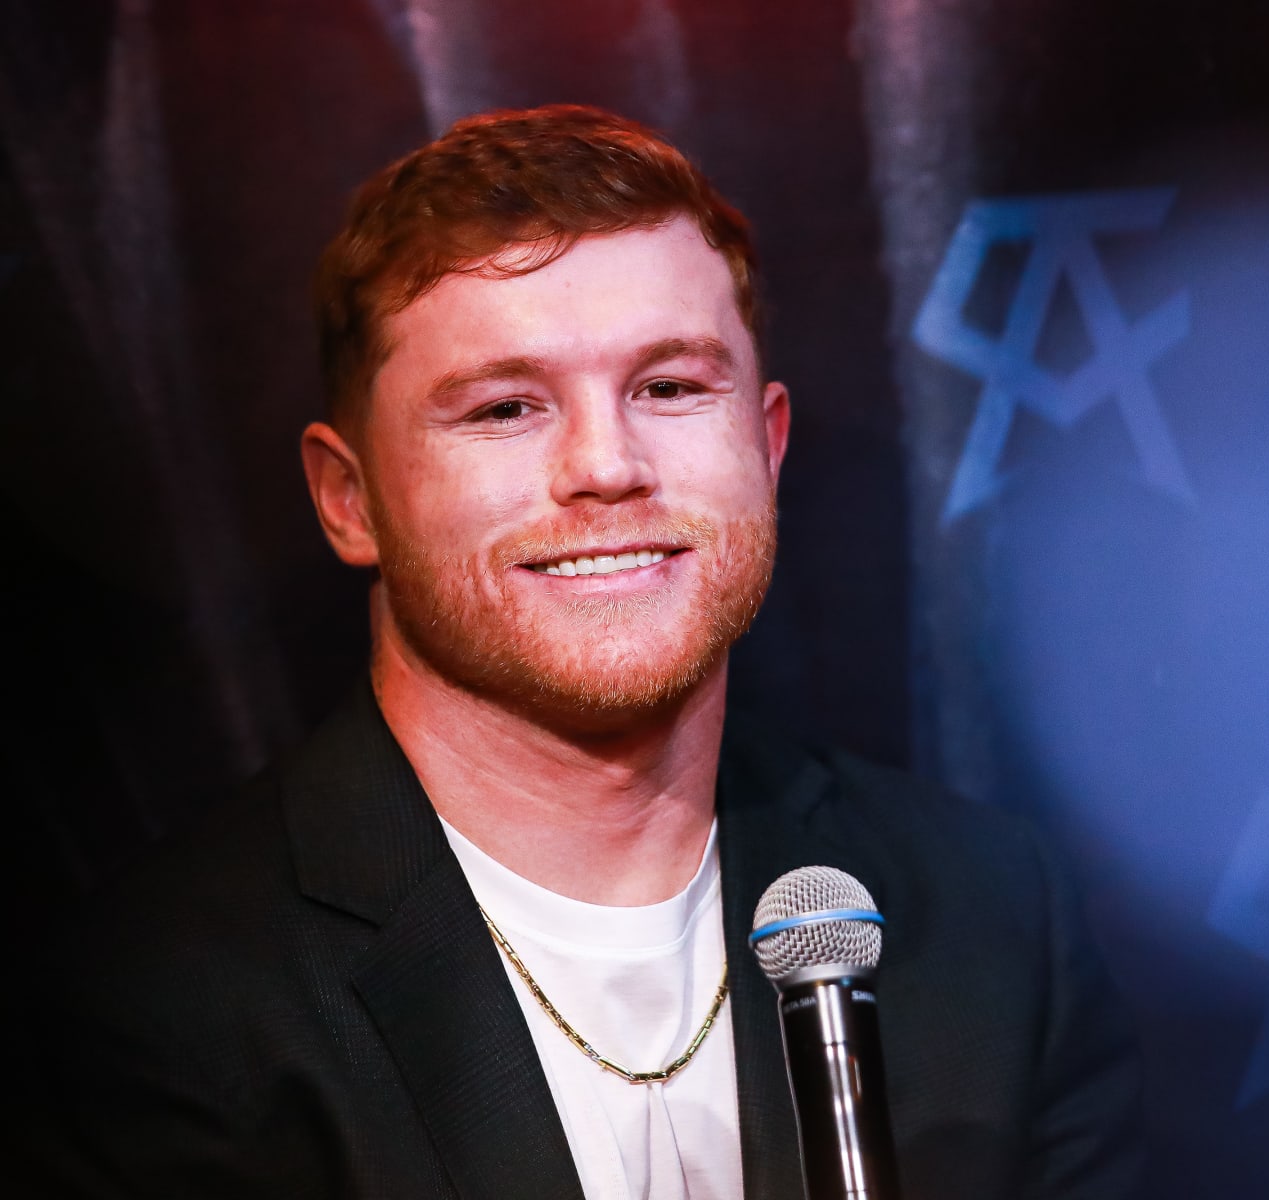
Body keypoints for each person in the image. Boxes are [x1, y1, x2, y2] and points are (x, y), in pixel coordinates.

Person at [27, 105, 1144, 1199]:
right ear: (349, 498)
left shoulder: (993, 922)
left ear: (766, 446)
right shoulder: (160, 1007)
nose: (607, 466)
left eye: (669, 389)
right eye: (505, 409)